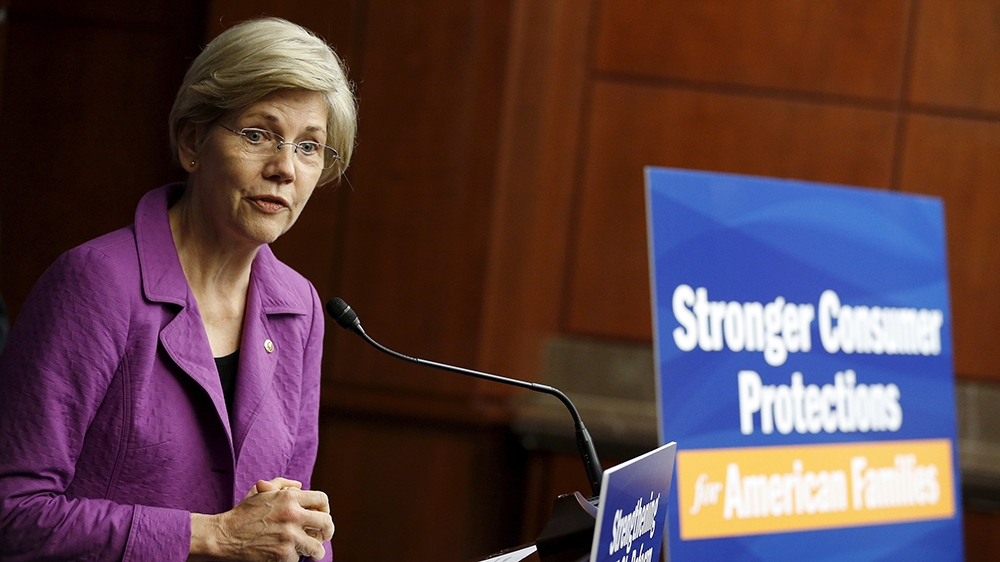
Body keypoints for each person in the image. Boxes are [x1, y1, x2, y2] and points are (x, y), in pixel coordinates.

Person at [0, 17, 355, 562]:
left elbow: (287, 525)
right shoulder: (94, 282)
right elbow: (12, 512)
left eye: (310, 147)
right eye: (259, 134)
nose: (285, 168)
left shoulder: (299, 307)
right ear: (193, 141)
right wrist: (211, 536)